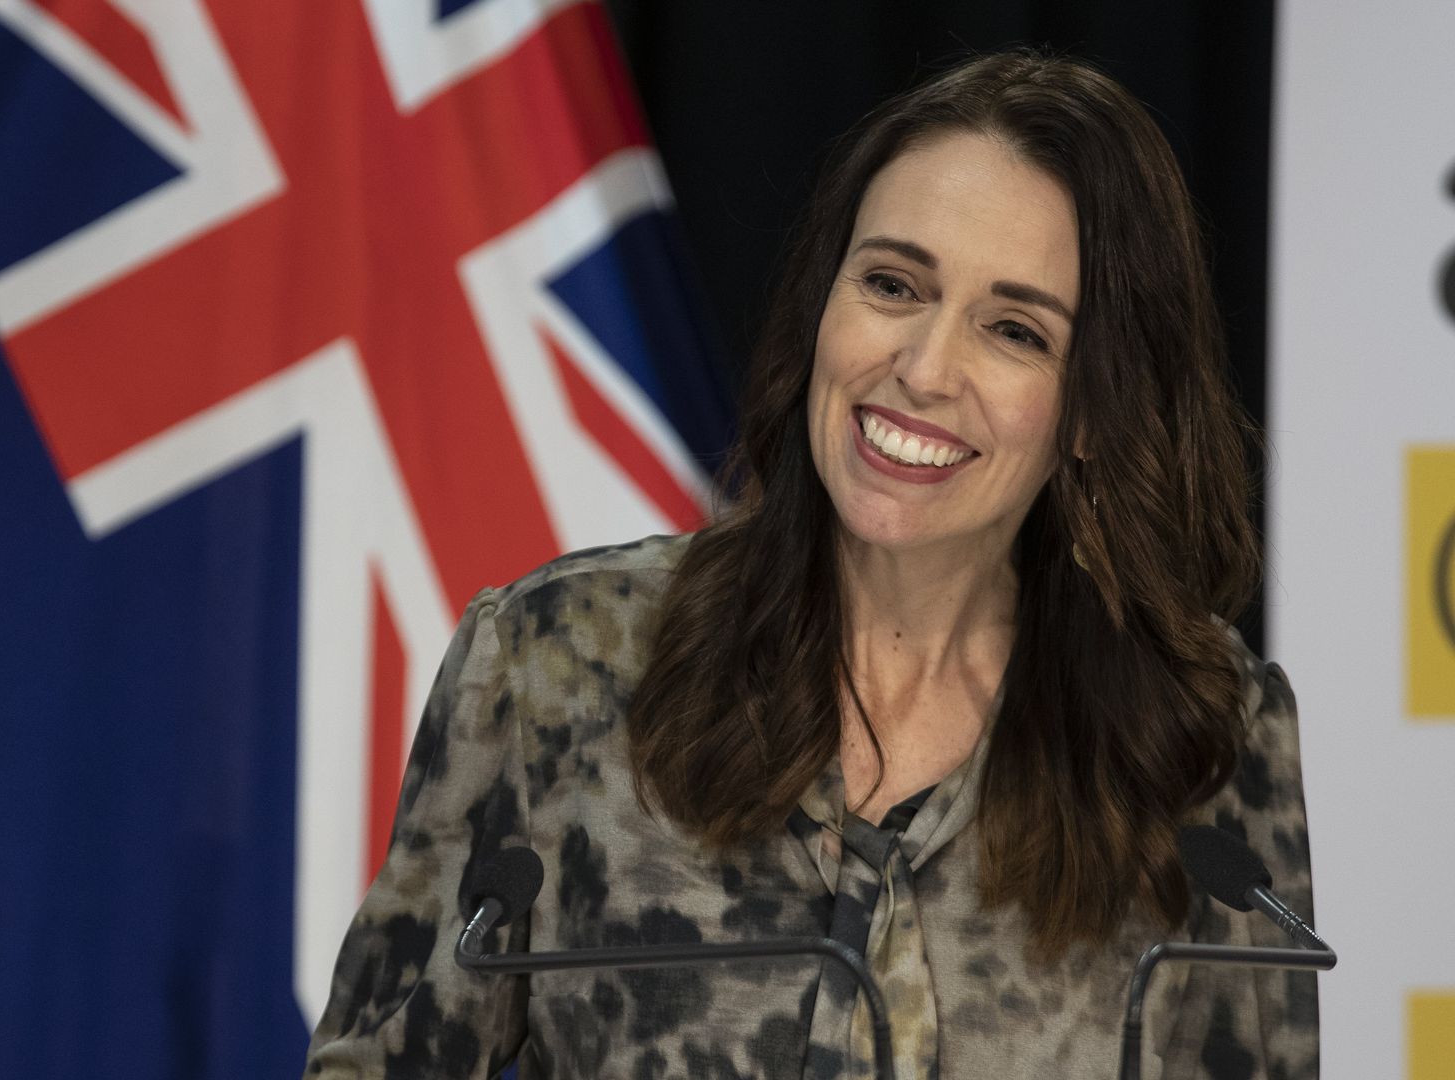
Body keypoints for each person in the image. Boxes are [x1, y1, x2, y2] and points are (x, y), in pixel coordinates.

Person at [302, 48, 1317, 1080]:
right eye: (891, 284)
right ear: (822, 308)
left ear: (1096, 407)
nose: (923, 369)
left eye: (1013, 330)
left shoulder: (1201, 740)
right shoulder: (553, 668)